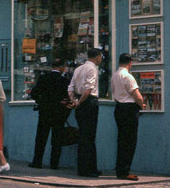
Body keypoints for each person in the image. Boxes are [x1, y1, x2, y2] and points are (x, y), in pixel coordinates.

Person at [29, 59, 73, 169]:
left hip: (45, 111)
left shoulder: (44, 78)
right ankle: (54, 164)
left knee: (41, 137)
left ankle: (37, 161)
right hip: (59, 113)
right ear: (62, 67)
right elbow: (68, 97)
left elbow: (34, 93)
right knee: (57, 139)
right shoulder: (64, 81)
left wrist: (41, 101)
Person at [68, 48, 103, 177]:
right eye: (101, 57)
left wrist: (74, 101)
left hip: (79, 103)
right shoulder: (92, 69)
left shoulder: (78, 69)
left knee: (83, 135)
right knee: (89, 136)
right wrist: (80, 102)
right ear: (98, 56)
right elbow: (88, 90)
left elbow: (70, 88)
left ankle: (87, 167)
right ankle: (88, 169)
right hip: (89, 102)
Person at [111, 53, 144, 181]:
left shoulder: (115, 75)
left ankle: (120, 169)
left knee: (122, 140)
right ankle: (125, 171)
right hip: (129, 109)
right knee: (130, 141)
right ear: (130, 63)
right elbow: (137, 96)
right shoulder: (128, 77)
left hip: (119, 107)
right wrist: (141, 105)